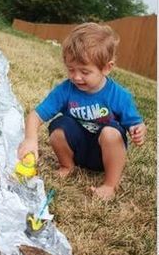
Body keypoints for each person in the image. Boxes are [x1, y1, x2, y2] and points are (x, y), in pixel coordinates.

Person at [18, 22, 146, 200]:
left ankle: (110, 185)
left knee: (111, 133)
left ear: (107, 68)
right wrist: (30, 139)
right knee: (58, 126)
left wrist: (138, 130)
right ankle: (67, 166)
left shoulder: (119, 95)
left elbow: (136, 124)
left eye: (85, 71)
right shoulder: (66, 90)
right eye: (71, 69)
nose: (76, 77)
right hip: (78, 149)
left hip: (103, 154)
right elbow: (36, 115)